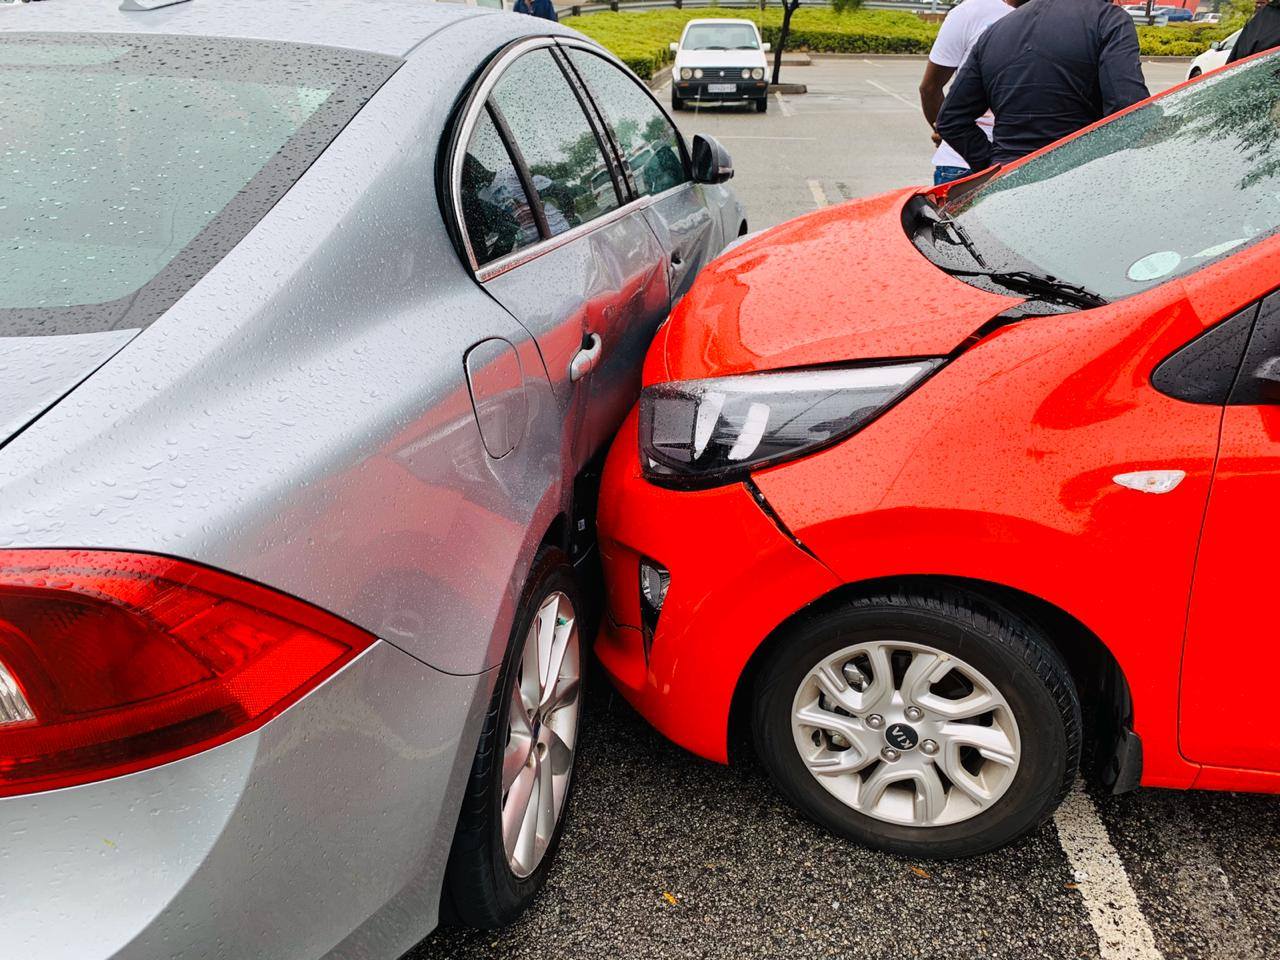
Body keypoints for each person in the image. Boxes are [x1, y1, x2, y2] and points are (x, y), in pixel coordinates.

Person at [936, 0, 1149, 172]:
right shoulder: (1109, 20)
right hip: (1081, 180)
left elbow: (950, 119)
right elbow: (1129, 110)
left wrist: (994, 165)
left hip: (1006, 188)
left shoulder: (995, 32)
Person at [919, 0, 1012, 185]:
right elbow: (930, 89)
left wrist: (947, 132)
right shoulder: (1053, 17)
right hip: (1023, 159)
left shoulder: (969, 11)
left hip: (962, 160)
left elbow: (930, 88)